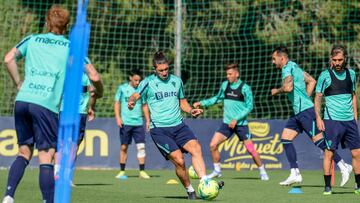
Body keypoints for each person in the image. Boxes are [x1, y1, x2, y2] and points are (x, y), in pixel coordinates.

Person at [128, 51, 221, 199]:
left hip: (178, 125)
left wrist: (191, 110)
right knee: (179, 160)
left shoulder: (177, 81)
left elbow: (182, 103)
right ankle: (190, 190)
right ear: (154, 70)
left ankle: (205, 182)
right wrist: (131, 101)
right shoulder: (148, 82)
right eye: (161, 70)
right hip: (159, 130)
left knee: (196, 148)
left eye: (166, 69)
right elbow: (135, 95)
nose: (164, 73)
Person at [2, 5, 70, 203]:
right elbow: (92, 74)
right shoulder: (68, 46)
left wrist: (18, 83)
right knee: (46, 155)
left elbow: (8, 59)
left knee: (24, 152)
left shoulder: (32, 39)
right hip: (46, 104)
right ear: (66, 25)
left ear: (47, 21)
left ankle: (8, 196)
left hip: (23, 99)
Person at [271, 46, 352, 186]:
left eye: (274, 59)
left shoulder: (286, 69)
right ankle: (295, 173)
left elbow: (288, 87)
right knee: (286, 138)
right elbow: (312, 81)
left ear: (281, 58)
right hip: (299, 112)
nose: (273, 62)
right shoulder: (295, 66)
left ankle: (343, 164)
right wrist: (305, 99)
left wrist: (277, 90)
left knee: (319, 142)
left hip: (305, 112)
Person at [193, 63, 269, 181]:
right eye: (227, 74)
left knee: (250, 149)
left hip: (241, 125)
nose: (228, 76)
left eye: (230, 74)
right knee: (213, 145)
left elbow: (249, 107)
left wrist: (236, 118)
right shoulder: (225, 85)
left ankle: (262, 171)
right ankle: (217, 170)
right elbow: (217, 99)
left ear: (237, 74)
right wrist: (202, 103)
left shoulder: (245, 88)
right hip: (227, 124)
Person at [314, 45, 360, 195]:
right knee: (329, 153)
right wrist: (319, 118)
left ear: (345, 58)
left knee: (357, 153)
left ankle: (358, 186)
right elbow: (318, 97)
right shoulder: (324, 75)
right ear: (331, 60)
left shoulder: (352, 74)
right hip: (332, 121)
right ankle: (327, 187)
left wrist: (355, 116)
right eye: (335, 60)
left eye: (340, 59)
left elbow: (353, 95)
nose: (338, 62)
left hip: (349, 121)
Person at [54, 58, 104, 186]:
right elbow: (93, 93)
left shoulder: (64, 73)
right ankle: (67, 176)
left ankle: (56, 172)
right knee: (74, 145)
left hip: (64, 111)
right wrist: (91, 108)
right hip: (80, 113)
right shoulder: (86, 76)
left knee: (61, 142)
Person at [114, 69, 150, 179]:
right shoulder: (122, 88)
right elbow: (117, 103)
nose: (138, 82)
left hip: (138, 123)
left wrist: (148, 120)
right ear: (130, 78)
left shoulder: (141, 91)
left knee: (141, 147)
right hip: (126, 123)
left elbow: (144, 105)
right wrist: (118, 118)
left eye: (139, 80)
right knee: (124, 147)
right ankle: (122, 171)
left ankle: (142, 171)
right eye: (135, 80)